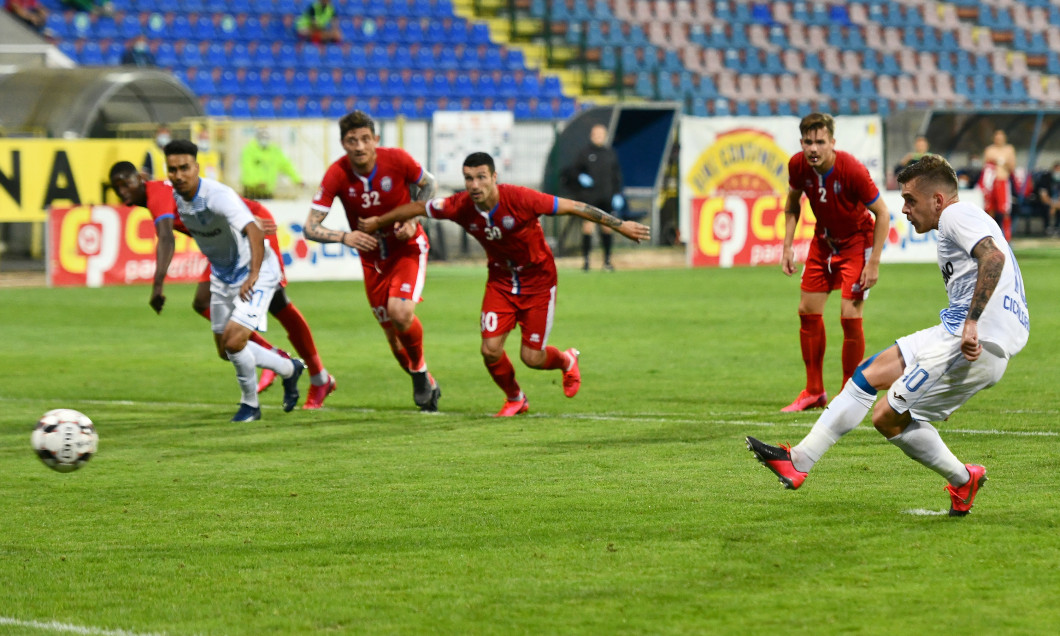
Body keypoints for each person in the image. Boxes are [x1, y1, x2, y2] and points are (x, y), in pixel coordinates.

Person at [747, 154, 1029, 516]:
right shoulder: (966, 219)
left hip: (969, 338)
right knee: (867, 374)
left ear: (938, 200)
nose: (905, 209)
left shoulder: (957, 215)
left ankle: (963, 479)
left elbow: (993, 258)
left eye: (910, 200)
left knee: (886, 417)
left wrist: (974, 324)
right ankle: (799, 460)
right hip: (957, 332)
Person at [358, 152, 651, 416]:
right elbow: (417, 208)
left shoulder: (521, 198)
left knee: (532, 358)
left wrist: (620, 225)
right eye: (468, 178)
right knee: (490, 350)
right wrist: (378, 222)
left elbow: (575, 206)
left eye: (481, 177)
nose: (474, 185)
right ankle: (515, 398)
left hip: (538, 282)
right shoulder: (458, 205)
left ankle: (566, 360)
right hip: (500, 281)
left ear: (494, 177)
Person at [108, 161, 337, 410]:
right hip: (224, 242)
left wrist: (157, 286)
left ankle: (319, 377)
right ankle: (274, 356)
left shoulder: (157, 193)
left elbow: (165, 237)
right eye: (116, 187)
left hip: (252, 227)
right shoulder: (163, 192)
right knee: (202, 302)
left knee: (277, 303)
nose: (122, 191)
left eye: (126, 183)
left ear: (140, 178)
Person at [302, 110, 441, 411]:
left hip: (407, 248)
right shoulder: (337, 174)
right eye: (352, 140)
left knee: (400, 311)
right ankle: (427, 382)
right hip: (372, 259)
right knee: (393, 339)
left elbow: (429, 184)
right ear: (343, 144)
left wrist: (415, 219)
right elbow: (309, 227)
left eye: (365, 139)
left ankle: (418, 373)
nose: (360, 146)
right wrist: (343, 237)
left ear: (376, 139)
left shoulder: (398, 159)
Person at [162, 140, 307, 421]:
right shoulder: (176, 197)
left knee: (234, 341)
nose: (178, 175)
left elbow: (254, 231)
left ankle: (250, 406)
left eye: (184, 168)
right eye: (172, 170)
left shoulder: (217, 195)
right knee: (224, 350)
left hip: (257, 272)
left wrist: (253, 274)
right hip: (222, 274)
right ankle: (289, 368)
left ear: (196, 167)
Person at [780, 113, 890, 412]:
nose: (813, 148)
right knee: (807, 310)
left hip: (857, 242)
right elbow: (792, 203)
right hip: (823, 242)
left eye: (820, 142)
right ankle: (814, 391)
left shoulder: (851, 169)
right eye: (808, 142)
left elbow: (883, 213)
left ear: (832, 143)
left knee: (849, 315)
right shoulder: (797, 165)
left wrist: (874, 262)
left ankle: (850, 395)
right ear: (802, 142)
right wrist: (787, 245)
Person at [563, 123, 625, 271]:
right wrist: (581, 177)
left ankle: (607, 261)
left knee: (607, 228)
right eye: (596, 134)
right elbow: (573, 172)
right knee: (588, 226)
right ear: (592, 136)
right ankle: (586, 261)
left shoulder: (610, 153)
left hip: (606, 197)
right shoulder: (584, 153)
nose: (598, 137)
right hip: (590, 197)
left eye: (601, 134)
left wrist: (618, 194)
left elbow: (616, 176)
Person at [240, 127, 304, 200]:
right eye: (262, 138)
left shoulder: (274, 151)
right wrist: (257, 182)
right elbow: (248, 168)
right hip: (251, 191)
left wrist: (297, 180)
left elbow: (287, 166)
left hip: (267, 191)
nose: (264, 140)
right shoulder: (249, 150)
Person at [980, 128, 1016, 241]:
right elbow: (985, 167)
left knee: (1004, 210)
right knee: (989, 210)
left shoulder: (1009, 149)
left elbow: (1012, 167)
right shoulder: (989, 150)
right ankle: (990, 236)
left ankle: (1007, 237)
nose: (998, 139)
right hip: (991, 184)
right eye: (996, 137)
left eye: (1000, 137)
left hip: (1002, 182)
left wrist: (1002, 162)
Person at [1034, 161, 1060, 236]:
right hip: (1045, 202)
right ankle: (1047, 228)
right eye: (1057, 170)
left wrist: (1056, 205)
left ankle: (1057, 227)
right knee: (1046, 207)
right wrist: (1053, 205)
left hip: (1057, 203)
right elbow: (1043, 196)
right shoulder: (1045, 178)